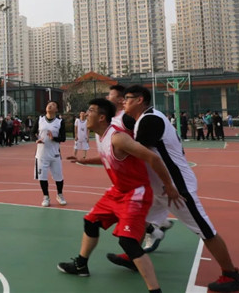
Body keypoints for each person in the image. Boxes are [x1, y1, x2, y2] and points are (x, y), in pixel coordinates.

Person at [116, 85, 239, 292]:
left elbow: (137, 153)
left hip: (176, 188)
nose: (124, 102)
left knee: (205, 229)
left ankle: (231, 274)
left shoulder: (150, 120)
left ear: (140, 100)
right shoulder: (145, 119)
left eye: (127, 98)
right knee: (140, 219)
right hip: (160, 187)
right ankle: (134, 255)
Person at [58, 98, 182, 293]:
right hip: (118, 191)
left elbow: (152, 157)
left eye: (90, 110)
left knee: (127, 242)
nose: (86, 114)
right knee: (91, 222)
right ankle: (81, 264)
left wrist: (169, 185)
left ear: (101, 117)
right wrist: (85, 160)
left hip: (136, 193)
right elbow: (107, 156)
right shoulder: (101, 137)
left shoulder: (118, 137)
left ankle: (155, 290)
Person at [31, 101, 66, 207]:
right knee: (42, 177)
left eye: (53, 105)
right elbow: (32, 133)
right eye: (48, 104)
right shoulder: (40, 119)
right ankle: (46, 196)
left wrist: (53, 138)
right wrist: (36, 139)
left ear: (56, 109)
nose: (50, 106)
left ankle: (59, 195)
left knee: (59, 177)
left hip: (55, 154)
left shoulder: (60, 122)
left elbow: (63, 138)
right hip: (41, 154)